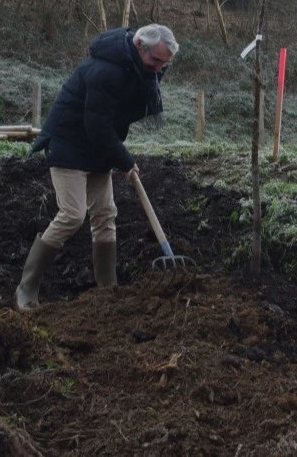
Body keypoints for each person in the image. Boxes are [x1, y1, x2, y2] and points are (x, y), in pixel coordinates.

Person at [15, 24, 179, 311]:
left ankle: (107, 289)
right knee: (72, 215)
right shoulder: (106, 71)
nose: (158, 69)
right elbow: (97, 126)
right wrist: (125, 160)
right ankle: (26, 288)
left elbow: (112, 121)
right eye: (155, 61)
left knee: (105, 215)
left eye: (164, 65)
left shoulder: (138, 69)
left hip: (97, 150)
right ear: (139, 45)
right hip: (69, 145)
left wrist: (118, 157)